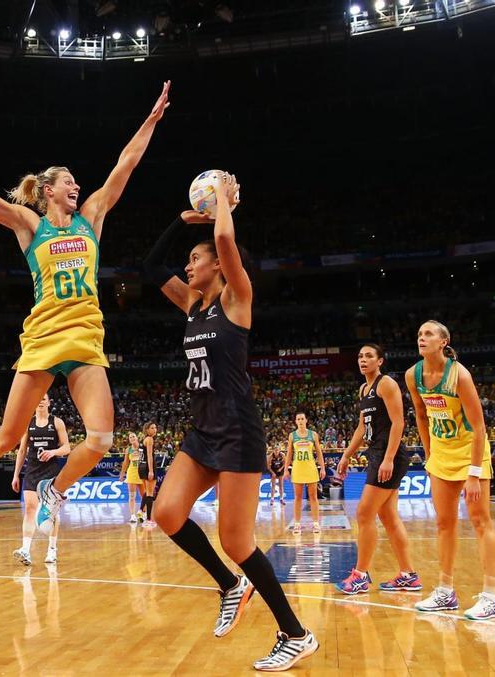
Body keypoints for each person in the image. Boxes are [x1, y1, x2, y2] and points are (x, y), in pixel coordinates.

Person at [0, 83, 171, 529]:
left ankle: (55, 488)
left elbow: (125, 163)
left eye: (76, 182)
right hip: (44, 336)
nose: (77, 186)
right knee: (8, 436)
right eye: (69, 182)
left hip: (85, 335)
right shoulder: (30, 225)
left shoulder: (91, 217)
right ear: (48, 190)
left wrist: (150, 121)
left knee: (101, 438)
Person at [145, 174, 318, 671]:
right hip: (202, 430)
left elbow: (224, 237)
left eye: (195, 259)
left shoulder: (235, 298)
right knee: (166, 513)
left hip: (238, 430)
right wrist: (182, 222)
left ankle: (296, 634)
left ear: (219, 266)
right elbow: (150, 267)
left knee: (236, 542)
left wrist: (221, 199)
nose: (188, 266)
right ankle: (229, 585)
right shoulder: (191, 303)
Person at [407, 320, 495, 621]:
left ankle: (491, 597)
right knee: (444, 524)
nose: (422, 338)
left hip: (470, 452)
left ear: (443, 342)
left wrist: (473, 473)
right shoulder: (413, 375)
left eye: (428, 334)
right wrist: (429, 455)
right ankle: (446, 592)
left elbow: (479, 426)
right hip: (441, 455)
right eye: (420, 334)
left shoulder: (459, 375)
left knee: (480, 521)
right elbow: (421, 415)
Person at [334, 344, 420, 595]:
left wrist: (389, 458)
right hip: (376, 453)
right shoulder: (364, 389)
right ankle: (408, 575)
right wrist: (346, 456)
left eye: (369, 356)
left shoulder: (387, 384)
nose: (363, 360)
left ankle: (360, 576)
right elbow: (362, 428)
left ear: (380, 361)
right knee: (389, 518)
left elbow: (398, 422)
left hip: (388, 454)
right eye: (360, 356)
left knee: (364, 513)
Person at [11, 394, 70, 565]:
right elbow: (22, 451)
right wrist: (16, 474)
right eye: (37, 398)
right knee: (30, 508)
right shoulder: (28, 423)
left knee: (52, 512)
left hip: (51, 471)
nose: (40, 401)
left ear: (49, 402)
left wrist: (53, 452)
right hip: (32, 470)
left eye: (43, 398)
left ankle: (52, 549)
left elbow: (67, 447)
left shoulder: (57, 422)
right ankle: (25, 549)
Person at [284, 413, 326, 533]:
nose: (300, 421)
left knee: (313, 497)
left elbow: (319, 453)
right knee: (297, 497)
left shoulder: (313, 434)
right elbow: (289, 454)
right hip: (297, 468)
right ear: (296, 421)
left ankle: (316, 524)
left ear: (306, 420)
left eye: (302, 419)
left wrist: (322, 468)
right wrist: (286, 469)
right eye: (298, 419)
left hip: (310, 468)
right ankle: (297, 524)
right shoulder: (292, 436)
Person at [119, 432, 150, 523]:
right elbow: (125, 462)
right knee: (132, 496)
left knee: (143, 496)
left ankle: (143, 513)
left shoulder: (142, 447)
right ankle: (132, 516)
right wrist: (122, 474)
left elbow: (148, 459)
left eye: (133, 436)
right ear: (129, 440)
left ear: (137, 438)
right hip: (131, 473)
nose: (132, 438)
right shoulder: (128, 450)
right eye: (130, 437)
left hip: (142, 473)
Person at [142, 422, 160, 525]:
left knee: (147, 492)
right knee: (149, 493)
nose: (155, 429)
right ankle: (148, 520)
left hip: (143, 466)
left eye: (155, 427)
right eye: (152, 428)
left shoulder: (145, 439)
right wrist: (151, 470)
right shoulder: (149, 439)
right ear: (147, 430)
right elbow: (149, 456)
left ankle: (141, 511)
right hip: (149, 467)